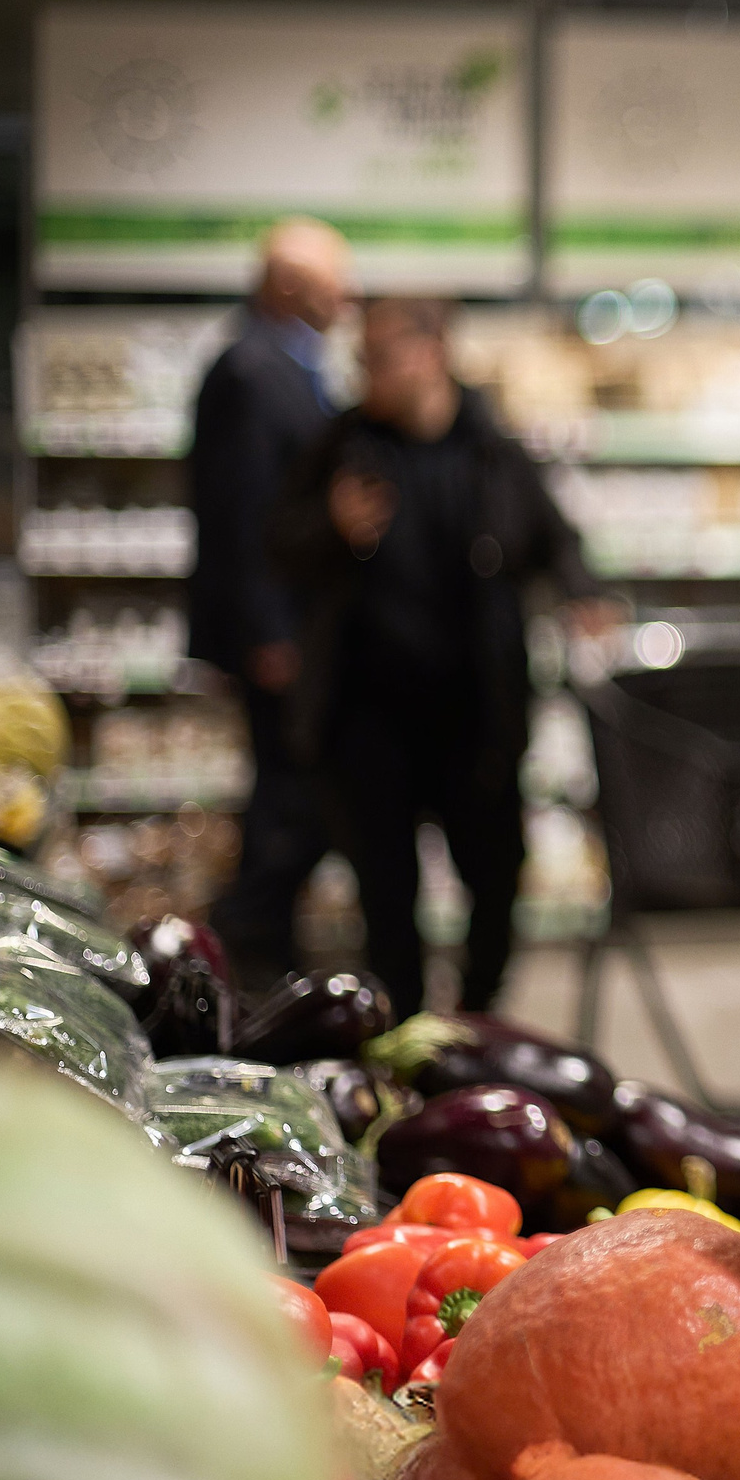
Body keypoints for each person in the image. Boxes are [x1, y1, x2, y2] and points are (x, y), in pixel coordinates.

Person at [273, 296, 610, 1021]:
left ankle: (477, 1017)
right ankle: (405, 1033)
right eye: (362, 359)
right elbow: (280, 544)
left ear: (431, 352)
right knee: (387, 896)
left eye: (380, 357)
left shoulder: (493, 448)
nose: (366, 375)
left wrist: (584, 596)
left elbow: (555, 538)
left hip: (477, 716)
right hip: (370, 721)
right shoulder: (343, 445)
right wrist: (330, 528)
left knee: (495, 879)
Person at [187, 215, 356, 987]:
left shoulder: (289, 363)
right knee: (292, 792)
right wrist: (268, 632)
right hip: (277, 633)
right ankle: (249, 941)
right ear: (287, 287)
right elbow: (243, 512)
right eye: (332, 284)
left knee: (293, 789)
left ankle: (260, 940)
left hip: (293, 628)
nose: (345, 298)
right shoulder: (254, 371)